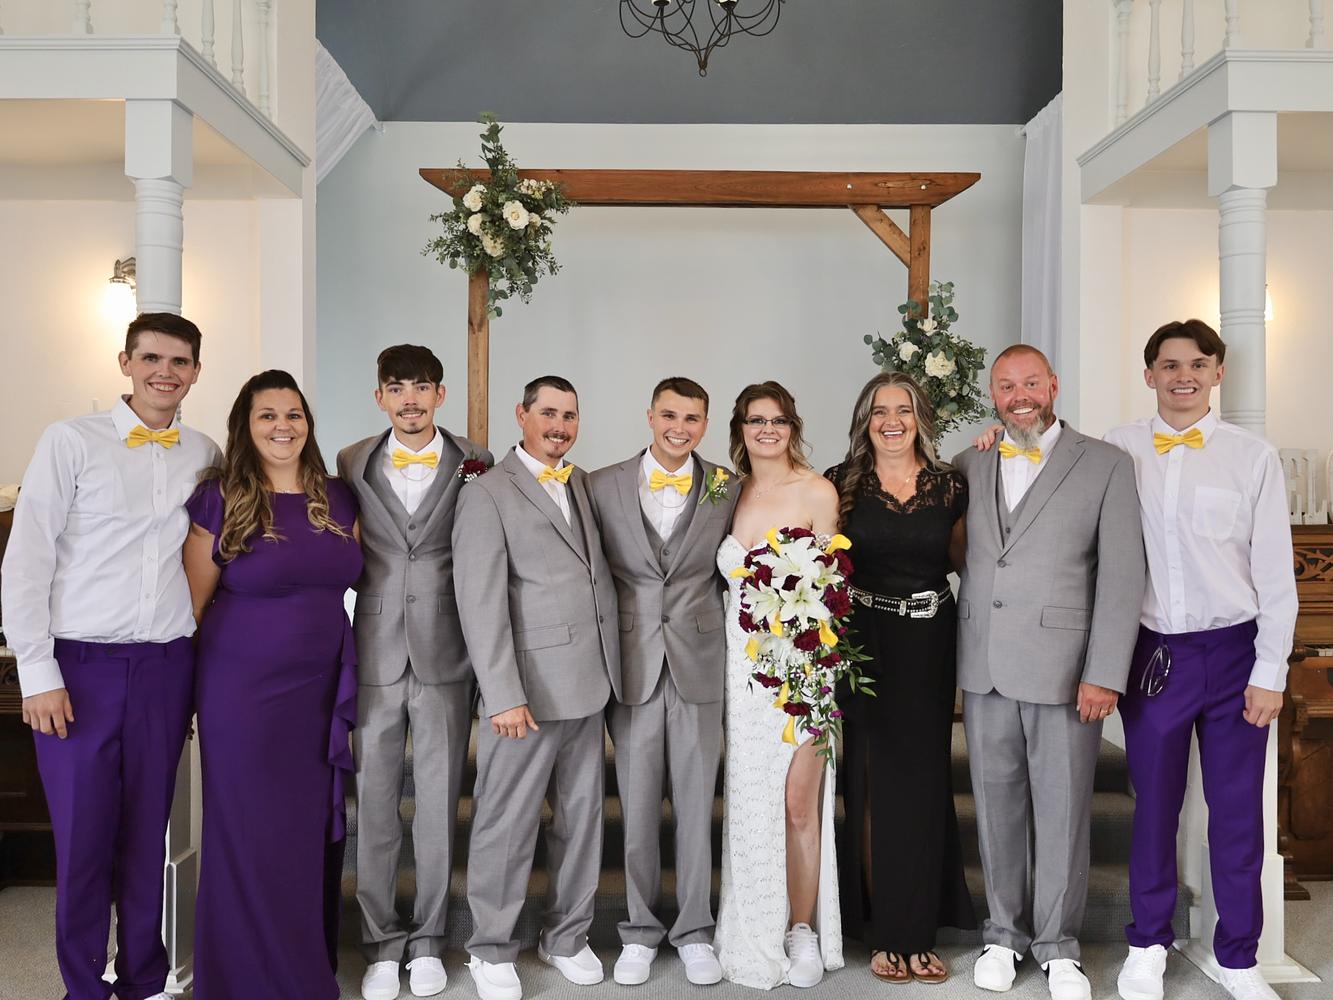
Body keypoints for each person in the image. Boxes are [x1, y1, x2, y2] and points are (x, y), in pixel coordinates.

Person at [2, 313, 217, 1000]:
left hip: (166, 668)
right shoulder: (70, 441)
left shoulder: (205, 453)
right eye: (151, 358)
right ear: (126, 362)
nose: (165, 372)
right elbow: (27, 560)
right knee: (84, 840)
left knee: (148, 833)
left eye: (179, 362)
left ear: (195, 372)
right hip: (79, 670)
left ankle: (144, 978)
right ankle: (83, 987)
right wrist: (37, 672)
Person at [1106, 321, 1295, 1000]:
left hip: (1236, 654)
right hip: (1155, 654)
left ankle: (1237, 957)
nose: (1182, 376)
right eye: (1169, 365)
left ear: (1217, 373)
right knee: (1154, 807)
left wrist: (1269, 672)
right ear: (1149, 374)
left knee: (1237, 813)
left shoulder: (1253, 457)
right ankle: (1147, 944)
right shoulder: (1117, 449)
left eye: (1196, 364)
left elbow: (1275, 575)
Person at [953, 345, 1145, 1000]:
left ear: (1053, 385)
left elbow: (1122, 577)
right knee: (994, 809)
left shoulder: (1106, 463)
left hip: (1066, 672)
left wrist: (1105, 672)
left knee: (1063, 812)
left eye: (1031, 382)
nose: (1020, 396)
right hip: (984, 665)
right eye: (1007, 386)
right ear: (993, 395)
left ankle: (1059, 947)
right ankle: (1002, 935)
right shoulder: (969, 463)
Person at [182, 369, 362, 1000]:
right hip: (242, 692)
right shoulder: (220, 498)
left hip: (318, 691)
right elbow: (192, 608)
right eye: (268, 415)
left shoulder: (339, 497)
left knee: (302, 830)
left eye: (293, 415)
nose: (283, 427)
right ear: (246, 425)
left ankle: (302, 969)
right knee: (247, 830)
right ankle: (240, 980)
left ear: (308, 424)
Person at [452, 376, 621, 1000]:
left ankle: (566, 935)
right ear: (521, 414)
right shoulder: (486, 493)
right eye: (548, 412)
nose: (559, 425)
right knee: (506, 821)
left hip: (589, 681)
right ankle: (491, 947)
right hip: (524, 692)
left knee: (581, 819)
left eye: (569, 415)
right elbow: (480, 601)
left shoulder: (582, 484)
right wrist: (502, 693)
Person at [337, 345, 493, 1000]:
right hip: (374, 648)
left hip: (446, 650)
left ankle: (428, 940)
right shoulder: (350, 460)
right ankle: (381, 943)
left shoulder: (476, 461)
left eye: (421, 387)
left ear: (440, 394)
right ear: (380, 396)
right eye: (397, 388)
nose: (409, 399)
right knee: (375, 806)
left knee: (436, 804)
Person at [826, 371, 976, 985]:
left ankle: (920, 931)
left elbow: (967, 564)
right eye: (879, 411)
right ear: (864, 421)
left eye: (904, 410)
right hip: (864, 643)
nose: (892, 421)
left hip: (930, 641)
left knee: (924, 780)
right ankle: (885, 930)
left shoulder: (951, 486)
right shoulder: (840, 483)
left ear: (921, 419)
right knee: (870, 781)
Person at [587, 377, 736, 988]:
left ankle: (696, 930)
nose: (680, 428)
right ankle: (640, 932)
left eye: (692, 419)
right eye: (670, 415)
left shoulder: (727, 485)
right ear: (650, 416)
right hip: (632, 661)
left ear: (705, 425)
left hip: (700, 660)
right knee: (639, 805)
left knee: (698, 805)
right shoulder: (601, 484)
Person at [714, 380, 844, 989]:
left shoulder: (817, 491)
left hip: (802, 669)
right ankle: (754, 927)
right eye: (756, 420)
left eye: (779, 420)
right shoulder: (726, 492)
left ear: (793, 427)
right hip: (741, 673)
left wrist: (816, 671)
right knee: (751, 802)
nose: (768, 430)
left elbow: (835, 592)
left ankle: (802, 929)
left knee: (798, 803)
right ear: (740, 429)